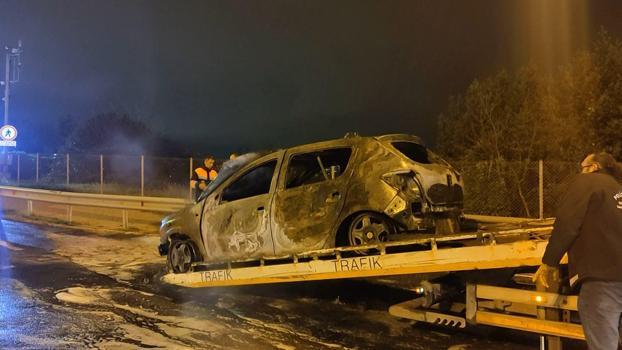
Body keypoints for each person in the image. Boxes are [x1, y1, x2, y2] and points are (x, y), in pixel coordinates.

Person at [533, 152, 622, 350]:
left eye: (583, 168)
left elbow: (567, 222)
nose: (580, 172)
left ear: (594, 167)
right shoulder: (618, 189)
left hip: (603, 280)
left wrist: (549, 262)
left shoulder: (587, 183)